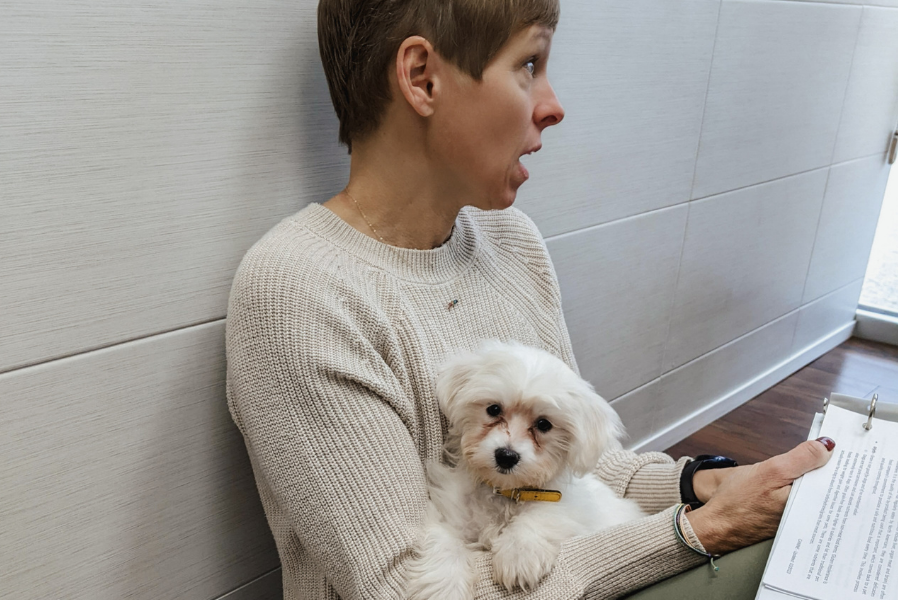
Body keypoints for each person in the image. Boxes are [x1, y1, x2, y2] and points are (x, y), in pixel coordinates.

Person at [224, 1, 836, 598]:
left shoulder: (509, 241)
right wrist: (700, 532)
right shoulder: (297, 294)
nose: (554, 106)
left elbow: (575, 466)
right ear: (422, 78)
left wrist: (700, 484)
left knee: (808, 535)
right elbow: (404, 589)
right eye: (529, 64)